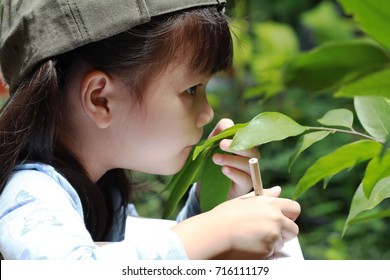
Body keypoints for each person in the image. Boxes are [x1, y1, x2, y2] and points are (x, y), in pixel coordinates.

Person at [0, 0, 300, 260]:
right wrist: (218, 230)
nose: (207, 112)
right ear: (100, 99)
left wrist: (212, 205)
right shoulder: (29, 194)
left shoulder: (98, 189)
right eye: (192, 89)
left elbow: (138, 262)